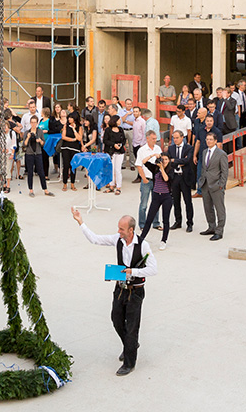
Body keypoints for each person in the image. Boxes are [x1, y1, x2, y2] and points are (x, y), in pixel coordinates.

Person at [71, 207, 157, 376]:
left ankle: (129, 362)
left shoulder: (143, 245)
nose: (118, 231)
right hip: (120, 289)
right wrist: (80, 222)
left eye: (121, 229)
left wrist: (133, 271)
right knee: (116, 319)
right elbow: (95, 239)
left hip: (136, 291)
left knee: (132, 327)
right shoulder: (117, 239)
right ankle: (130, 344)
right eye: (118, 228)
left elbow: (153, 269)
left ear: (131, 230)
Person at [196, 133, 229, 241]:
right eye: (207, 139)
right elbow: (204, 168)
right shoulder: (205, 152)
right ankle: (211, 227)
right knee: (207, 207)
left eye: (211, 139)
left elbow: (224, 171)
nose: (208, 141)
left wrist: (221, 185)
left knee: (219, 208)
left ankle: (219, 231)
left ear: (215, 141)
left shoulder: (221, 154)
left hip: (216, 185)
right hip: (205, 184)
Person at [139, 153, 174, 250]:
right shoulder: (155, 168)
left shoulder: (171, 170)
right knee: (149, 218)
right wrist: (153, 155)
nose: (164, 161)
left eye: (166, 159)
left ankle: (163, 240)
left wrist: (162, 168)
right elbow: (144, 161)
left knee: (165, 220)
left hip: (166, 197)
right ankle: (141, 239)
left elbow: (166, 179)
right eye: (162, 159)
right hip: (156, 196)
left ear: (169, 160)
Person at [166, 129, 195, 232]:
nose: (175, 140)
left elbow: (188, 160)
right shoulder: (171, 149)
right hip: (175, 177)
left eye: (177, 138)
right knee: (176, 201)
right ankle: (178, 221)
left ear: (182, 137)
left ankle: (190, 223)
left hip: (185, 177)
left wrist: (175, 160)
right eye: (174, 138)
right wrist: (178, 161)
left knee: (188, 201)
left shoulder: (189, 148)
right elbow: (169, 162)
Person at [135, 130, 162, 228]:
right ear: (147, 138)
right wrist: (143, 178)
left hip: (156, 180)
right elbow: (139, 165)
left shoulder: (158, 148)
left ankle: (156, 223)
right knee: (144, 204)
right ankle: (142, 224)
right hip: (146, 179)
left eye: (156, 139)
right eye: (153, 139)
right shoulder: (142, 150)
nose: (155, 140)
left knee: (156, 202)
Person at [22, 116, 52, 197]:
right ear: (30, 123)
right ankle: (31, 189)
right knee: (30, 173)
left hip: (38, 154)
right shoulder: (27, 132)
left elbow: (43, 144)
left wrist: (40, 141)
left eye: (35, 122)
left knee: (41, 172)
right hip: (29, 154)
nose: (33, 124)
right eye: (32, 122)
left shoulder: (40, 132)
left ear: (37, 123)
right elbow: (24, 144)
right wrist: (28, 137)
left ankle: (45, 189)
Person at [103, 115, 127, 195]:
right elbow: (105, 140)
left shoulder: (120, 129)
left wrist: (120, 144)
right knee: (111, 169)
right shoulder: (108, 130)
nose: (120, 121)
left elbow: (124, 139)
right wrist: (113, 145)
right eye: (119, 120)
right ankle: (111, 185)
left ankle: (118, 187)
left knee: (118, 170)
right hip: (110, 152)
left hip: (120, 152)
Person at [59, 113, 82, 191]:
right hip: (65, 147)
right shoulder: (65, 126)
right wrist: (72, 139)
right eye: (69, 118)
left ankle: (72, 183)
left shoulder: (79, 127)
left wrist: (74, 129)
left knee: (73, 166)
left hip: (75, 149)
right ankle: (65, 183)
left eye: (71, 118)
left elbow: (79, 138)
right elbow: (63, 137)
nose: (69, 119)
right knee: (66, 165)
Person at [0, 117, 17, 194]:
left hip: (9, 154)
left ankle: (8, 185)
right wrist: (1, 148)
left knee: (8, 169)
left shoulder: (12, 133)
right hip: (2, 154)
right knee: (2, 170)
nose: (4, 128)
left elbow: (14, 144)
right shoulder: (0, 134)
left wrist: (12, 153)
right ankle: (3, 184)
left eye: (6, 126)